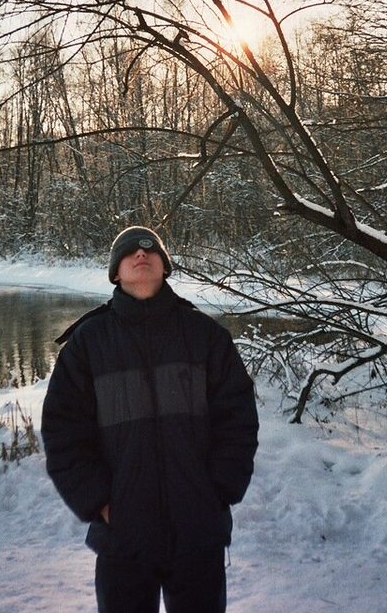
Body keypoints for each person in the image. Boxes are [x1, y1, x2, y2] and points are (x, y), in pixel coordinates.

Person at [41, 225, 259, 613]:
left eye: (150, 250)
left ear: (165, 266)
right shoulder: (88, 343)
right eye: (129, 252)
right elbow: (64, 432)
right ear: (115, 272)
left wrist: (220, 489)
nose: (140, 255)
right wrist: (100, 502)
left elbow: (238, 418)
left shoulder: (205, 336)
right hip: (123, 536)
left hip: (198, 531)